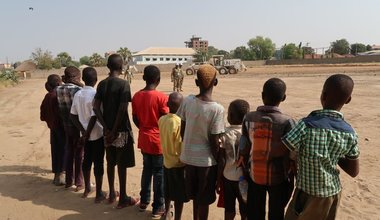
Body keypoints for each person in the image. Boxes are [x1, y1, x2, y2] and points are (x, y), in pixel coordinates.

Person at [282, 74, 360, 220]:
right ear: (348, 100)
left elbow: (286, 147)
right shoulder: (350, 132)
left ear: (323, 95)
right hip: (332, 194)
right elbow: (353, 171)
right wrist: (334, 154)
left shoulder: (305, 125)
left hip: (306, 193)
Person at [237, 78, 295, 220]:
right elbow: (293, 150)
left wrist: (242, 161)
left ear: (262, 95)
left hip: (254, 174)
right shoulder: (287, 121)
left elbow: (244, 144)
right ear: (284, 98)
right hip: (278, 176)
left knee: (255, 211)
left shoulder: (249, 118)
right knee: (276, 212)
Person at [176, 64, 225, 220]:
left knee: (195, 197)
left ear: (196, 83)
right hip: (206, 163)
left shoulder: (187, 100)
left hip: (188, 158)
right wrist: (219, 162)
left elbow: (182, 129)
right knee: (203, 200)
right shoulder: (217, 109)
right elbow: (214, 141)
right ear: (216, 82)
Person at [93, 54, 138, 208]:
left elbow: (95, 107)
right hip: (121, 130)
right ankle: (123, 197)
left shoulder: (101, 84)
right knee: (122, 163)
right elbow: (122, 108)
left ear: (108, 67)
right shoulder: (123, 84)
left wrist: (105, 127)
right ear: (121, 67)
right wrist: (114, 130)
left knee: (110, 162)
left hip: (107, 130)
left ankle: (112, 193)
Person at [132, 65, 169, 219]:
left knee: (146, 170)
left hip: (144, 137)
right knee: (159, 173)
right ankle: (158, 206)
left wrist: (143, 127)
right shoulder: (161, 97)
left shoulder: (136, 96)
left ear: (143, 78)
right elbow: (166, 117)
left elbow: (135, 117)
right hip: (157, 139)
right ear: (158, 80)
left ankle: (144, 201)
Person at [70, 67, 106, 202]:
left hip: (85, 135)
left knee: (86, 161)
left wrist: (83, 132)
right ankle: (98, 194)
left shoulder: (78, 94)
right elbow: (94, 116)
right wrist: (87, 133)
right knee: (98, 163)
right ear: (96, 80)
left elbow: (72, 116)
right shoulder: (95, 94)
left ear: (83, 79)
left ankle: (86, 188)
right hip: (96, 134)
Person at [217, 99, 250, 220]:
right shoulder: (249, 134)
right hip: (245, 178)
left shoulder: (224, 134)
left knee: (229, 208)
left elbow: (221, 160)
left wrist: (217, 179)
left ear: (230, 116)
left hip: (228, 178)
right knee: (244, 208)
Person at [158, 92, 188, 220]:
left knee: (168, 191)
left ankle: (166, 212)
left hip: (166, 161)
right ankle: (177, 217)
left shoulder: (162, 120)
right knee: (179, 196)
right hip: (178, 163)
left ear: (167, 104)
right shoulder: (180, 123)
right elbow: (180, 144)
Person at [56, 66, 84, 191]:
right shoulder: (79, 90)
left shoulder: (58, 89)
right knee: (79, 154)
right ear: (77, 77)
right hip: (78, 126)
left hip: (66, 125)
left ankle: (68, 181)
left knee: (69, 152)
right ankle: (79, 182)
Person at [40, 74, 65, 186]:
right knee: (64, 150)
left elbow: (42, 116)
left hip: (53, 128)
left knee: (55, 150)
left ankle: (56, 175)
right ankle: (62, 175)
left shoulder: (47, 96)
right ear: (59, 83)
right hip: (62, 128)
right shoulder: (59, 96)